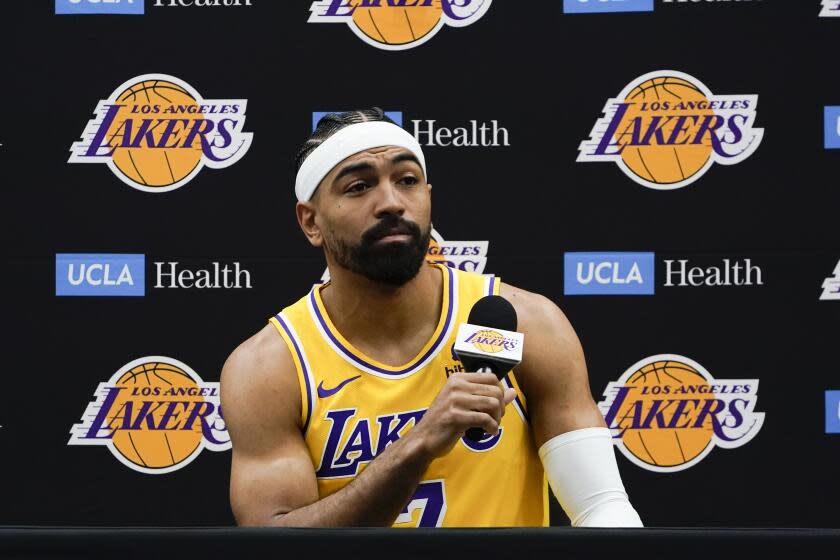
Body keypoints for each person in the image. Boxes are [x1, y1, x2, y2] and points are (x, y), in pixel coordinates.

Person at [220, 109, 643, 528]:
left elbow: (602, 508)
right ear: (311, 221)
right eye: (359, 186)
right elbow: (271, 544)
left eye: (407, 181)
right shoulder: (270, 367)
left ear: (428, 196)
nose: (390, 203)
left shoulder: (528, 322)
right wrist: (419, 444)